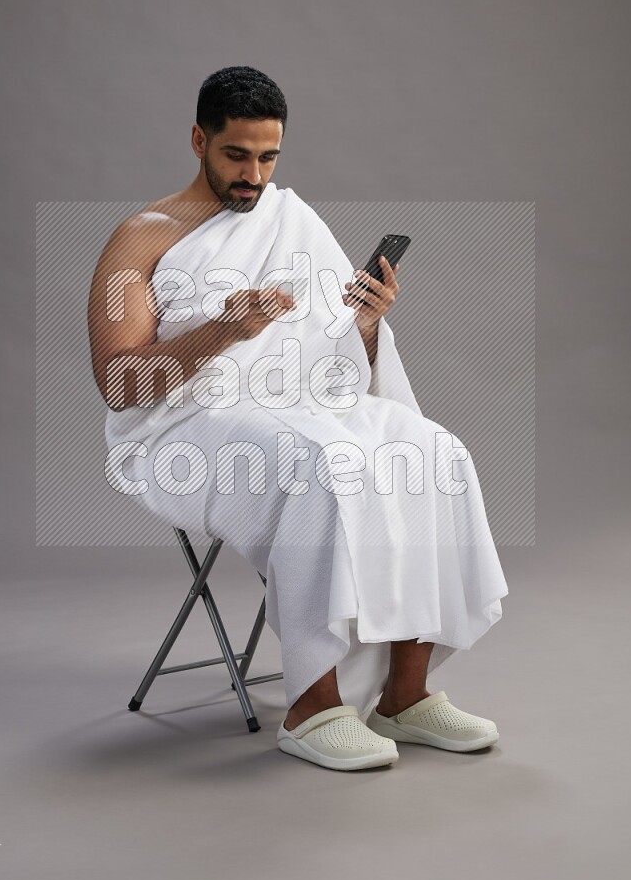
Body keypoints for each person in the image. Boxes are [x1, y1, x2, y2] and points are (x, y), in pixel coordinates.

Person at [87, 65, 509, 772]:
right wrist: (223, 331)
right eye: (236, 156)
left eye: (268, 156)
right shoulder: (138, 240)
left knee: (434, 450)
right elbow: (120, 384)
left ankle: (406, 697)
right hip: (183, 428)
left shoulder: (294, 219)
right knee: (319, 464)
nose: (254, 175)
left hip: (300, 403)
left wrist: (366, 323)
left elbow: (333, 354)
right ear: (198, 140)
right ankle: (313, 706)